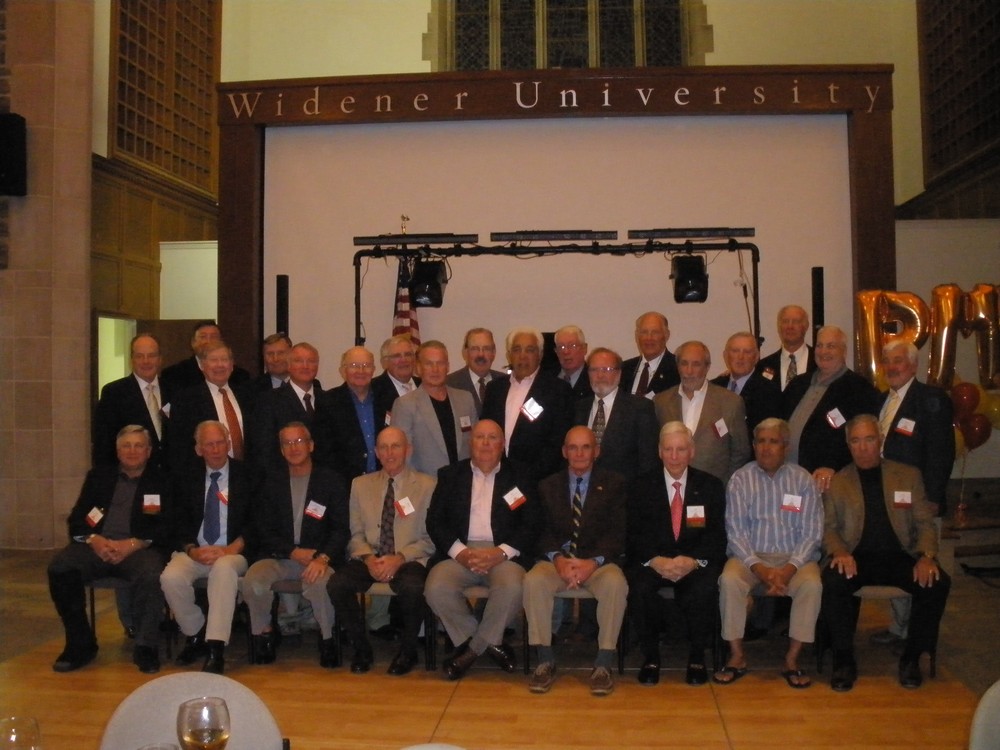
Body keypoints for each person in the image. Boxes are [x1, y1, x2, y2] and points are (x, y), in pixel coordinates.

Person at [821, 414, 950, 691]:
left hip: (900, 556)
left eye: (869, 439)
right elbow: (828, 528)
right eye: (856, 441)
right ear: (848, 444)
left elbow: (925, 524)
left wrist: (926, 556)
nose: (863, 447)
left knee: (937, 583)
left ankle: (911, 657)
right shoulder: (838, 482)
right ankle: (843, 660)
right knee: (832, 580)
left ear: (880, 440)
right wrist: (839, 551)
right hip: (856, 557)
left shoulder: (908, 475)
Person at [48, 426, 171, 674]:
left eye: (138, 446)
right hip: (96, 547)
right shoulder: (98, 477)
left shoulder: (163, 480)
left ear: (148, 451)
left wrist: (134, 544)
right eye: (126, 446)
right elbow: (77, 520)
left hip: (140, 549)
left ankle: (145, 646)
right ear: (117, 451)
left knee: (152, 573)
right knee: (60, 567)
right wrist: (94, 539)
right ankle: (80, 643)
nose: (132, 451)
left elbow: (169, 525)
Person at [424, 419, 540, 680]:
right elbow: (435, 521)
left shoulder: (521, 475)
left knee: (513, 587)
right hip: (460, 552)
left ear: (503, 444)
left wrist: (501, 552)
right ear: (470, 442)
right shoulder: (450, 475)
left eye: (492, 437)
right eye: (480, 437)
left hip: (503, 555)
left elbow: (532, 522)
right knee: (436, 588)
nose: (486, 443)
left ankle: (470, 651)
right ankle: (489, 643)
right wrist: (460, 552)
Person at [717, 418, 823, 688]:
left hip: (795, 559)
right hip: (750, 558)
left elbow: (812, 533)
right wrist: (760, 568)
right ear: (753, 446)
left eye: (773, 442)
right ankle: (737, 655)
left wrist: (788, 569)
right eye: (761, 441)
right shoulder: (740, 479)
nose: (766, 448)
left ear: (786, 446)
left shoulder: (803, 480)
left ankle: (792, 659)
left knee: (812, 584)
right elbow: (735, 532)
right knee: (729, 580)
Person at [523, 426, 627, 696]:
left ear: (597, 451)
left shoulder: (615, 484)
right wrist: (558, 559)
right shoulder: (547, 486)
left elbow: (618, 532)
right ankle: (544, 660)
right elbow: (540, 531)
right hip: (557, 562)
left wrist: (593, 562)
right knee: (534, 580)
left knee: (616, 584)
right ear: (564, 452)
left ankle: (603, 663)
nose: (579, 453)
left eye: (586, 447)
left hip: (598, 563)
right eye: (573, 447)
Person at [327, 427, 436, 676]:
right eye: (383, 448)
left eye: (396, 446)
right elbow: (354, 533)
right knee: (337, 584)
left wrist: (399, 558)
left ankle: (408, 651)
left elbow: (430, 538)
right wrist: (368, 558)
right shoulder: (360, 485)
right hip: (370, 556)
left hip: (409, 557)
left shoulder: (428, 485)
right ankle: (361, 648)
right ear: (376, 452)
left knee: (413, 587)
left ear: (408, 450)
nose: (390, 453)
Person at [625, 422, 727, 686]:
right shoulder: (640, 486)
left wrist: (693, 561)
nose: (674, 456)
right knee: (640, 588)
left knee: (704, 588)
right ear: (659, 451)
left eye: (680, 450)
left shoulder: (711, 486)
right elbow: (633, 533)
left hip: (694, 562)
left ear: (692, 452)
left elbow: (716, 535)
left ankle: (697, 657)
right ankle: (651, 656)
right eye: (668, 449)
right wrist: (655, 560)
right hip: (654, 562)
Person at [871, 341, 956, 648]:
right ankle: (899, 629)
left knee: (923, 567)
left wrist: (932, 497)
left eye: (899, 361)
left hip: (920, 501)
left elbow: (941, 452)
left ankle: (917, 637)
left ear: (914, 365)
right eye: (887, 361)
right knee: (900, 561)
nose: (892, 367)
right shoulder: (882, 400)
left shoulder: (931, 399)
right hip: (889, 500)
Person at [243, 422, 349, 668]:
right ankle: (265, 633)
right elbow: (263, 529)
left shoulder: (330, 480)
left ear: (311, 445)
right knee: (253, 581)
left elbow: (341, 529)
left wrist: (323, 558)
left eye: (299, 441)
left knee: (320, 582)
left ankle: (328, 639)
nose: (294, 448)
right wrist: (292, 552)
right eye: (287, 443)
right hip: (280, 556)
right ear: (281, 450)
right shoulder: (271, 482)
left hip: (318, 558)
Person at [161, 420, 255, 674]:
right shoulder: (185, 476)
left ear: (228, 443)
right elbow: (176, 521)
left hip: (233, 551)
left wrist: (231, 548)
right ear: (198, 449)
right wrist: (192, 549)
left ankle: (215, 647)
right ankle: (196, 632)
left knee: (223, 570)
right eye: (209, 444)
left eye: (220, 443)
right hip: (197, 551)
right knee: (170, 578)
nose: (216, 449)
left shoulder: (247, 474)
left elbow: (258, 521)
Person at [783, 325, 880, 489]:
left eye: (831, 346)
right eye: (819, 346)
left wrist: (833, 466)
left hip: (829, 482)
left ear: (844, 351)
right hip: (789, 477)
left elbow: (862, 441)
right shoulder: (798, 384)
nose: (823, 351)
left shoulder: (859, 389)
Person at [480, 327, 574, 483]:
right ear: (509, 355)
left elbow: (557, 443)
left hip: (539, 482)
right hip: (497, 478)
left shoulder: (557, 390)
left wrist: (528, 476)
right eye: (517, 350)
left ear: (540, 355)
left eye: (530, 350)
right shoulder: (495, 389)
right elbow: (486, 432)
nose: (522, 356)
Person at [653, 341, 751, 484]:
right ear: (678, 366)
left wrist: (724, 484)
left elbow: (741, 452)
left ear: (707, 367)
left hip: (714, 488)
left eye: (696, 364)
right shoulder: (661, 402)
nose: (689, 371)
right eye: (684, 363)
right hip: (672, 488)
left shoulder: (730, 402)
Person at [390, 340, 478, 476]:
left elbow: (475, 443)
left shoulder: (465, 399)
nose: (435, 369)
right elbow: (402, 454)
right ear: (419, 368)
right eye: (429, 364)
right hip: (426, 484)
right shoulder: (405, 405)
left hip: (465, 481)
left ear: (448, 367)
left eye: (440, 363)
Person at [168, 340, 255, 474]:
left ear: (232, 365)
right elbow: (180, 446)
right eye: (213, 360)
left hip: (247, 475)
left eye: (224, 359)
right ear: (202, 365)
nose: (220, 365)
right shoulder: (186, 400)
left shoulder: (248, 395)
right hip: (204, 475)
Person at [574, 347, 659, 481]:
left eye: (606, 369)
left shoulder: (640, 408)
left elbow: (648, 461)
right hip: (583, 488)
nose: (600, 375)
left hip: (625, 489)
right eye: (594, 370)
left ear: (619, 373)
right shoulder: (578, 408)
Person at [92, 333, 172, 470]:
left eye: (151, 356)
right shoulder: (114, 393)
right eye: (140, 356)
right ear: (132, 360)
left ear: (160, 359)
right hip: (132, 475)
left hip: (171, 477)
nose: (146, 361)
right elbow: (103, 444)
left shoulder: (175, 391)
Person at [315, 346, 393, 482]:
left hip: (382, 481)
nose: (361, 371)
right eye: (354, 366)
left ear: (374, 370)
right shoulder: (328, 402)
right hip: (345, 484)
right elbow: (324, 451)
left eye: (366, 365)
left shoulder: (386, 399)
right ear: (343, 370)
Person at [250, 341, 323, 470]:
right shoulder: (269, 401)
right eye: (299, 361)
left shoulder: (328, 399)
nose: (305, 366)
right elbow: (264, 449)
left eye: (311, 361)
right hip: (284, 475)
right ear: (288, 365)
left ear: (317, 366)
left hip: (324, 476)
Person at [710, 331, 781, 441]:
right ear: (725, 356)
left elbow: (760, 435)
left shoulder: (768, 391)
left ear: (756, 357)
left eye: (747, 352)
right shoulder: (713, 387)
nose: (740, 357)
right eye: (735, 351)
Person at [160, 320, 250, 393]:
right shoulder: (174, 374)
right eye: (203, 337)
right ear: (193, 342)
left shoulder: (240, 376)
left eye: (214, 337)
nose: (208, 341)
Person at [446, 327, 505, 416]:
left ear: (494, 353)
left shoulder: (505, 383)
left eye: (486, 348)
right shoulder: (450, 384)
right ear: (465, 352)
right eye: (475, 349)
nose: (481, 354)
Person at [620, 311, 680, 398]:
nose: (649, 338)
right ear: (637, 336)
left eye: (655, 332)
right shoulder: (623, 369)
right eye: (644, 332)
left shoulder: (678, 369)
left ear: (666, 335)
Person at [756, 305, 816, 391]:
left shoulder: (819, 362)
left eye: (796, 321)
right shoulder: (764, 365)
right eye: (785, 321)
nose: (790, 326)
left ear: (806, 326)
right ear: (779, 327)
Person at [371, 334, 420, 405]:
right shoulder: (372, 390)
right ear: (385, 362)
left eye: (408, 354)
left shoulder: (425, 386)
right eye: (397, 356)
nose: (404, 360)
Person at [553, 325, 592, 400]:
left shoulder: (593, 379)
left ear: (584, 348)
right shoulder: (546, 379)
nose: (566, 352)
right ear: (556, 352)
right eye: (561, 347)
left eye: (572, 346)